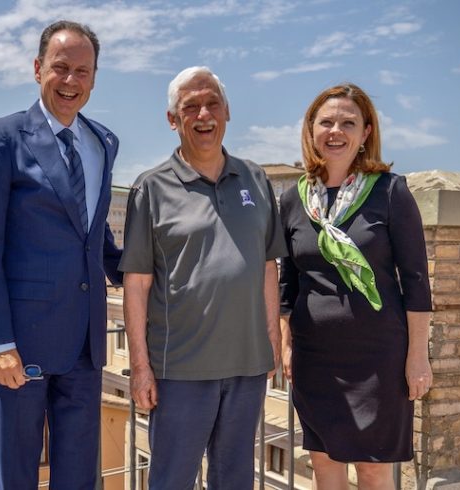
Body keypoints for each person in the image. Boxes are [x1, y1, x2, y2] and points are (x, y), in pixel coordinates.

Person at [0, 20, 123, 489]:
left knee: (79, 480)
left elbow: (96, 242)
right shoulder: (2, 137)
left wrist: (154, 276)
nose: (71, 81)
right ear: (38, 69)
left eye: (82, 71)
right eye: (60, 68)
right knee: (17, 477)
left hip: (85, 348)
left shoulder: (103, 143)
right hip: (22, 348)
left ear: (94, 79)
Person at [120, 66, 286, 488]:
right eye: (190, 107)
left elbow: (269, 266)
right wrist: (140, 365)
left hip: (246, 367)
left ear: (227, 111)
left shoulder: (256, 179)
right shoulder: (150, 189)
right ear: (173, 120)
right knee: (171, 480)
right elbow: (137, 284)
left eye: (212, 103)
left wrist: (272, 339)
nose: (203, 115)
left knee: (234, 481)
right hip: (179, 371)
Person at [278, 83, 433, 489]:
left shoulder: (390, 192)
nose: (336, 131)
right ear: (311, 129)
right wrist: (287, 342)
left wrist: (418, 357)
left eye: (349, 122)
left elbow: (416, 281)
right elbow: (288, 281)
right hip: (316, 360)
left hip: (379, 360)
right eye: (326, 121)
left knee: (373, 470)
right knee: (325, 466)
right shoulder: (294, 200)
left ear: (366, 133)